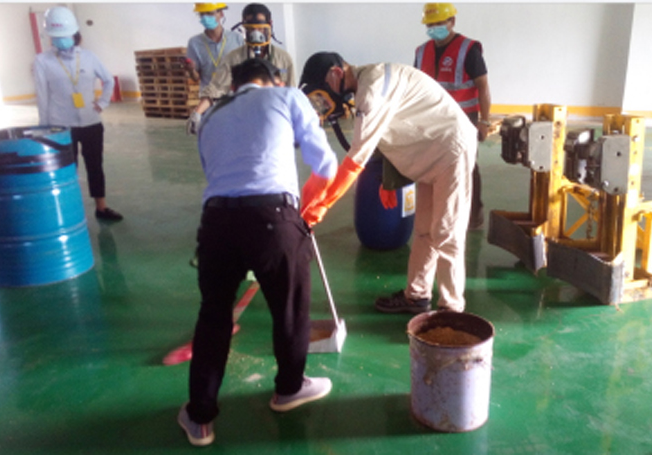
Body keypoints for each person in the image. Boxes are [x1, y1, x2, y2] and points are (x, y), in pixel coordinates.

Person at [177, 58, 338, 447]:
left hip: (216, 223)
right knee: (289, 308)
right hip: (273, 218)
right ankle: (289, 389)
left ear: (234, 87)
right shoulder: (288, 97)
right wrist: (304, 208)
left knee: (213, 315)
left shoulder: (211, 116)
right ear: (274, 80)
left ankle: (199, 418)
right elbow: (326, 164)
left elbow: (213, 171)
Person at [300, 52, 477, 314]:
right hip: (430, 151)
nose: (324, 103)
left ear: (336, 73)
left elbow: (356, 159)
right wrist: (389, 180)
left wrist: (322, 205)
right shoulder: (368, 85)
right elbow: (390, 131)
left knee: (446, 232)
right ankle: (417, 296)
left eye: (321, 95)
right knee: (424, 231)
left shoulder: (371, 89)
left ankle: (452, 309)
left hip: (451, 149)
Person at [33, 6, 122, 221]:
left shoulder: (89, 57)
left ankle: (101, 207)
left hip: (91, 123)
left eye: (65, 35)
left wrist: (102, 103)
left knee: (95, 166)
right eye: (57, 36)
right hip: (61, 126)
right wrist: (45, 128)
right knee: (66, 169)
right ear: (50, 37)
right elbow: (42, 96)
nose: (62, 40)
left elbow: (108, 80)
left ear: (75, 33)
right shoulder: (42, 61)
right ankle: (68, 211)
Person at [415, 3, 492, 230]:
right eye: (430, 24)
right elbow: (416, 87)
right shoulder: (421, 52)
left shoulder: (468, 50)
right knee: (434, 166)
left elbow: (483, 87)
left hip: (464, 119)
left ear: (452, 22)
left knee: (466, 166)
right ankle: (440, 212)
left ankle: (473, 216)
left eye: (439, 23)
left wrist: (485, 121)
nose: (434, 28)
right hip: (433, 120)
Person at [187, 3, 295, 133]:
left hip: (274, 121)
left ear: (270, 25)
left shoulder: (283, 59)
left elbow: (292, 93)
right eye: (250, 29)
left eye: (260, 28)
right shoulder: (233, 58)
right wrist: (197, 113)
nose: (256, 33)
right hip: (242, 121)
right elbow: (216, 89)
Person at [185, 3, 244, 91]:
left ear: (221, 14)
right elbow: (195, 78)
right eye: (202, 14)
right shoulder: (194, 43)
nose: (205, 18)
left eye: (209, 13)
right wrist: (191, 70)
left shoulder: (236, 39)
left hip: (233, 95)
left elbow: (246, 69)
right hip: (209, 96)